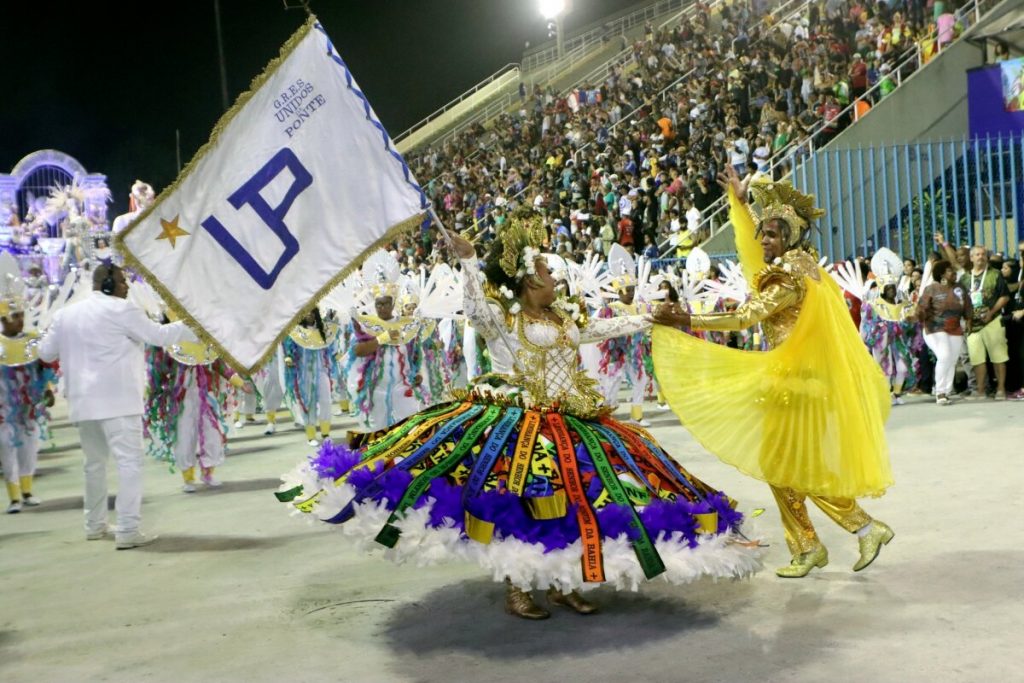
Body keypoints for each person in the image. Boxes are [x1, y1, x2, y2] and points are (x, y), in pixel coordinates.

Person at [278, 217, 763, 620]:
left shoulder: (564, 318)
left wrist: (651, 316)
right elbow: (474, 308)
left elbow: (604, 327)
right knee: (520, 504)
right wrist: (469, 261)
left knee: (576, 504)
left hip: (573, 420)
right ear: (530, 282)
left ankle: (563, 583)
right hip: (519, 425)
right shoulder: (504, 320)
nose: (556, 280)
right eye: (548, 273)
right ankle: (518, 587)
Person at [653, 169, 894, 578]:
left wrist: (685, 318)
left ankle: (860, 529)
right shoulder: (804, 265)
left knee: (792, 468)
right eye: (762, 233)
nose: (763, 240)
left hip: (795, 386)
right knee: (784, 468)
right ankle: (812, 545)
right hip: (799, 383)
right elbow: (755, 249)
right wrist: (740, 203)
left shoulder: (786, 278)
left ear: (789, 238)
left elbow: (745, 317)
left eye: (771, 235)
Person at [38, 264, 195, 549]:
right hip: (118, 402)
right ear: (108, 284)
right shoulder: (122, 310)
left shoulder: (65, 315)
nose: (127, 287)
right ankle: (127, 529)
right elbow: (158, 336)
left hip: (82, 403)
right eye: (123, 282)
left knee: (93, 465)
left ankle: (94, 525)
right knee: (129, 464)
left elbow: (46, 353)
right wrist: (195, 325)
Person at [1, 295, 57, 513]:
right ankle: (14, 497)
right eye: (15, 316)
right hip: (3, 408)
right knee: (6, 447)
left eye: (22, 315)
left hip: (29, 406)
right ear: (3, 319)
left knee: (30, 445)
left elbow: (43, 368)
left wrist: (48, 389)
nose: (20, 320)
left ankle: (27, 491)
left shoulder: (33, 340)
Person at [959, 246, 1011, 399]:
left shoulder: (995, 274)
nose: (980, 257)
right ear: (971, 258)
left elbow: (1005, 296)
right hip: (972, 325)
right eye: (977, 254)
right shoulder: (964, 278)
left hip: (992, 321)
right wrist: (966, 318)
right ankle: (980, 391)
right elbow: (961, 300)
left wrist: (991, 312)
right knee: (977, 359)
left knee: (998, 357)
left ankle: (1000, 390)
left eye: (983, 254)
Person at [917, 260, 971, 405]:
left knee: (952, 360)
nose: (954, 273)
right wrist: (917, 315)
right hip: (934, 328)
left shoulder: (960, 288)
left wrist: (969, 320)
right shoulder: (931, 289)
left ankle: (946, 391)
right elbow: (921, 308)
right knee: (944, 356)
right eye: (949, 270)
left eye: (954, 270)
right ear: (941, 274)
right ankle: (939, 391)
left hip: (955, 328)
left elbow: (967, 305)